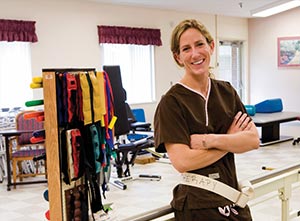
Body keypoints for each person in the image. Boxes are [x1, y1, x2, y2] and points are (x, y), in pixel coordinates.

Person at [154, 19, 260, 221]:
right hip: (197, 205)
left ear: (211, 46)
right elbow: (183, 161)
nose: (195, 54)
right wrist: (231, 140)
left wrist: (210, 140)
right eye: (186, 48)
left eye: (200, 44)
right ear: (178, 57)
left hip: (233, 200)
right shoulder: (171, 103)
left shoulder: (226, 92)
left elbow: (253, 140)